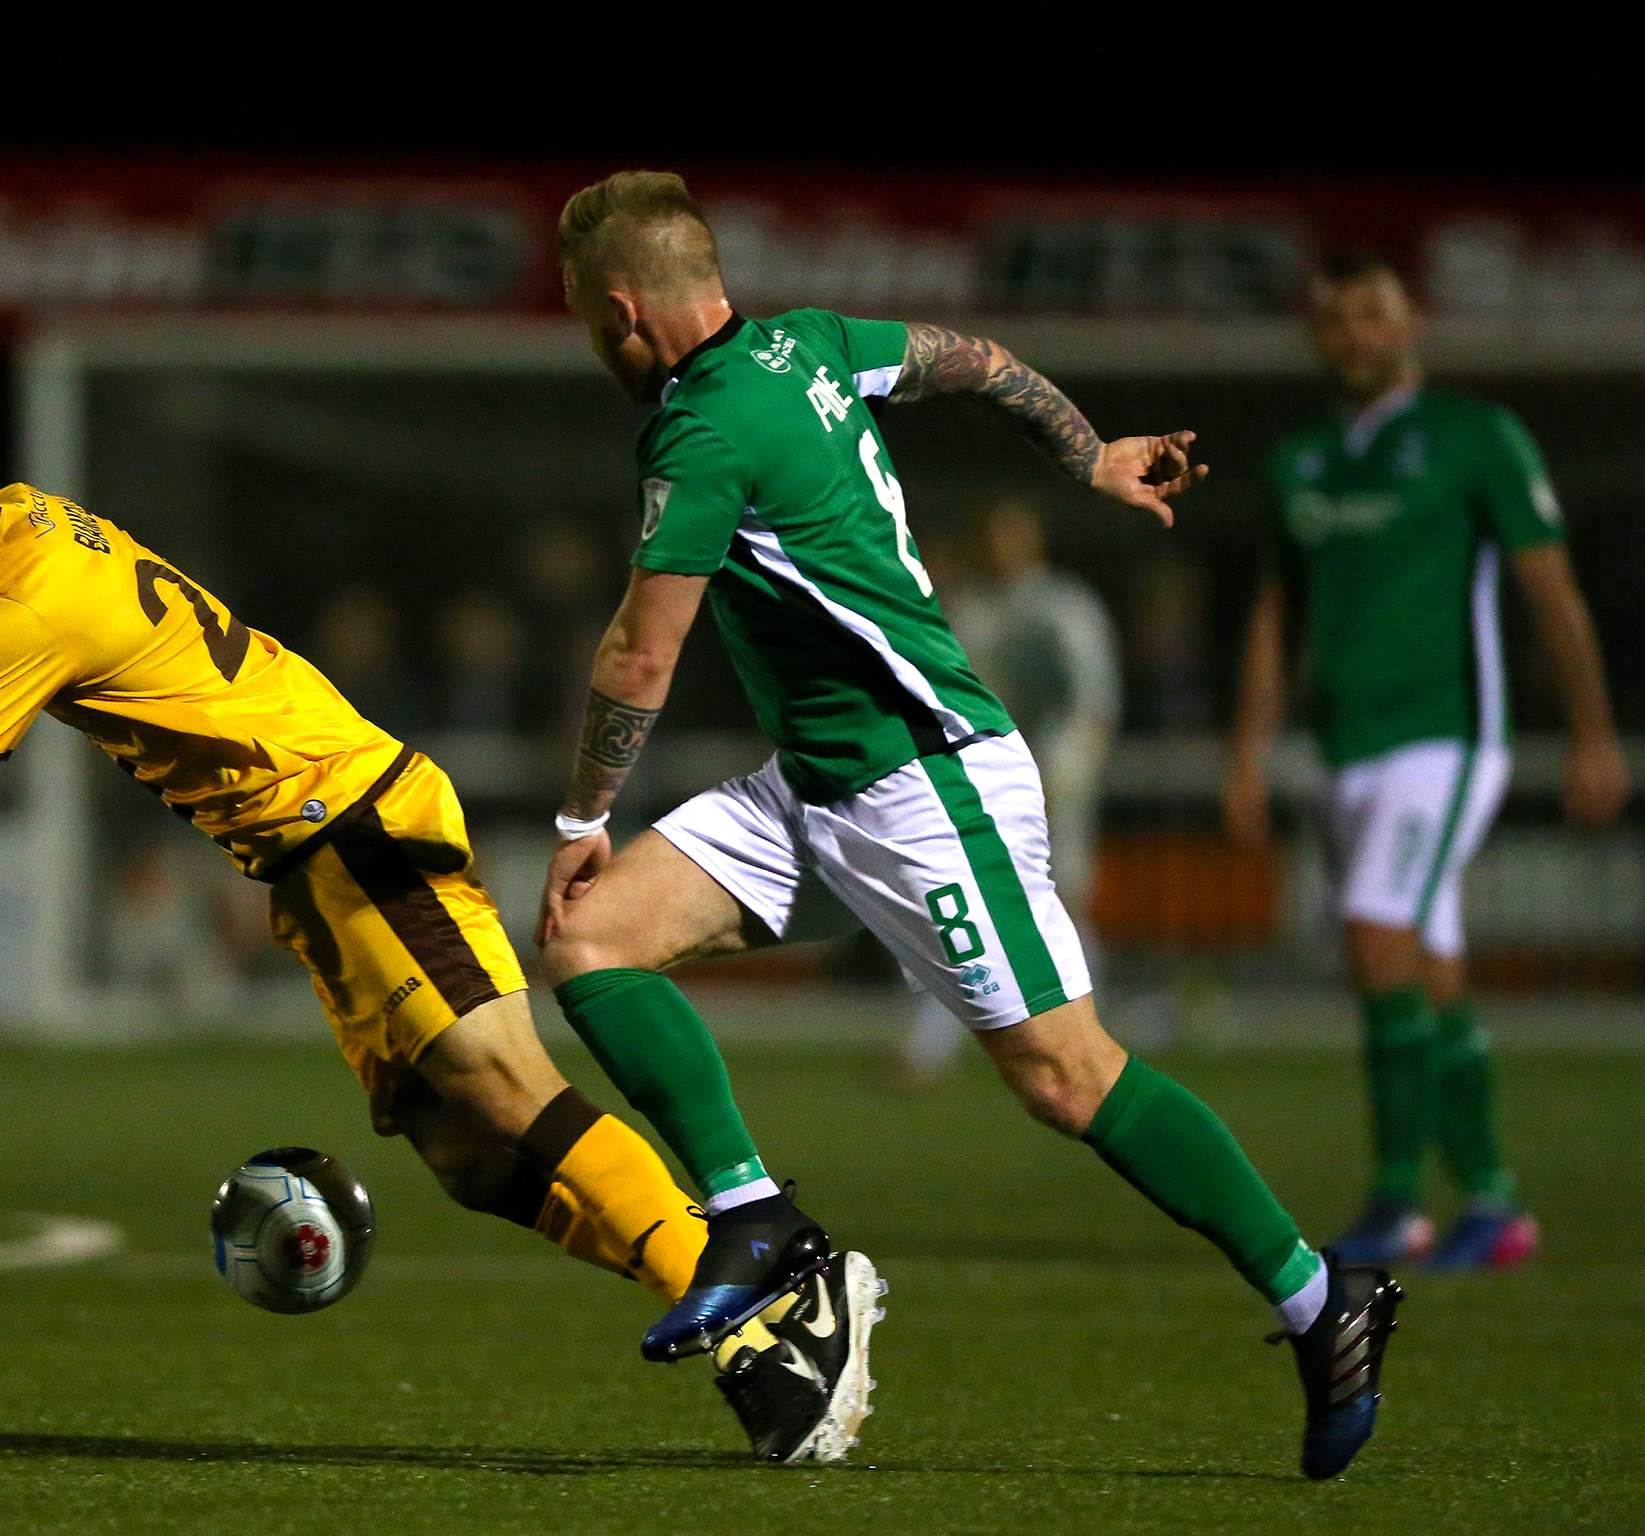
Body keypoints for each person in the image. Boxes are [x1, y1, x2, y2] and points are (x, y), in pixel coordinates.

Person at [0, 431, 859, 1465]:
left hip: (359, 820)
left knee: (501, 1086)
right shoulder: (6, 527)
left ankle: (773, 1314)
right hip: (308, 865)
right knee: (468, 1160)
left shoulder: (32, 605)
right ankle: (750, 1296)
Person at [534, 170, 1398, 1481]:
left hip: (927, 788)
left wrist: (581, 810)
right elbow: (974, 359)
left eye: (589, 323)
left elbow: (641, 657)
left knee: (1067, 1076)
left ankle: (1317, 1298)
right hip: (820, 784)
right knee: (591, 942)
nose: (597, 347)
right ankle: (756, 1216)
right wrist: (1086, 449)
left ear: (620, 309)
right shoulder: (813, 343)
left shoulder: (700, 428)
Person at [1226, 253, 1629, 1273]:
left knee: (1372, 939)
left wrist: (1590, 733)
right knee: (1426, 973)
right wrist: (1246, 749)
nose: (1352, 334)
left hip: (1445, 737)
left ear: (1408, 326)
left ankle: (1397, 1201)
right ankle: (1495, 1204)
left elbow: (1550, 593)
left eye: (1371, 315)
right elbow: (1275, 616)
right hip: (1342, 747)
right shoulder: (1302, 460)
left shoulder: (1472, 437)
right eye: (1335, 319)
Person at [899, 497, 1120, 1084]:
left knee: (1058, 903)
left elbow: (1091, 698)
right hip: (984, 774)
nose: (1000, 548)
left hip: (1053, 775)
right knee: (970, 897)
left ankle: (1094, 1027)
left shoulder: (1063, 606)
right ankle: (930, 1047)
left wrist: (1065, 769)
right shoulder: (972, 608)